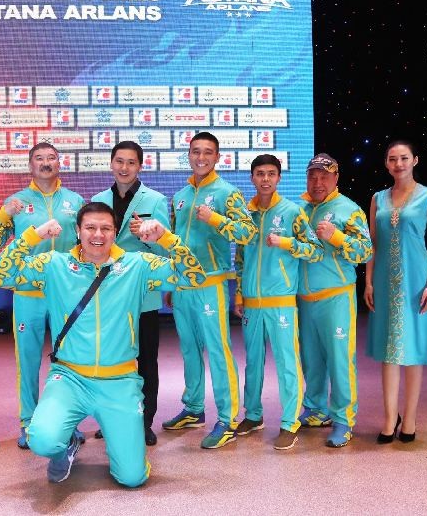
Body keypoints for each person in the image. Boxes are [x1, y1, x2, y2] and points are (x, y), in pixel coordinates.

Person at [0, 202, 205, 487]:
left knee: (132, 477)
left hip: (119, 381)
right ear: (78, 231)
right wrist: (33, 236)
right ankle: (65, 445)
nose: (98, 235)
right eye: (90, 227)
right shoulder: (54, 265)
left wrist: (166, 238)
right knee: (41, 439)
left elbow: (194, 276)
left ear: (115, 232)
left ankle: (124, 449)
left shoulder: (137, 265)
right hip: (70, 378)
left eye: (106, 228)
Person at [0, 142, 86, 449]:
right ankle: (28, 422)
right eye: (39, 158)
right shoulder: (16, 202)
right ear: (30, 165)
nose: (45, 163)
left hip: (65, 294)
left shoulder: (75, 201)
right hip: (27, 294)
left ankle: (67, 424)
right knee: (27, 360)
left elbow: (85, 246)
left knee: (69, 361)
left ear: (59, 163)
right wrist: (3, 215)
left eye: (51, 158)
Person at [163, 131, 257, 449]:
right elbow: (174, 241)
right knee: (189, 350)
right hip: (182, 286)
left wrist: (216, 219)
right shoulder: (180, 196)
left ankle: (228, 419)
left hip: (211, 285)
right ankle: (193, 408)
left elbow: (248, 233)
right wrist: (171, 281)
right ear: (188, 155)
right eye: (196, 151)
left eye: (207, 152)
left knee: (218, 351)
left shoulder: (227, 193)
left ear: (218, 157)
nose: (201, 157)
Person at [232, 154, 323, 450]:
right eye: (260, 173)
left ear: (279, 178)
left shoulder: (292, 212)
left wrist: (287, 243)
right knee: (253, 363)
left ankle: (289, 422)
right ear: (252, 178)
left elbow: (315, 250)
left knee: (286, 362)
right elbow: (241, 258)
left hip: (281, 301)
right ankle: (253, 415)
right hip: (252, 303)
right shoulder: (245, 214)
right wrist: (239, 293)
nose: (265, 179)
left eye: (271, 173)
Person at [91, 141, 169, 446]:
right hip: (107, 295)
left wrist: (148, 237)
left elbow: (165, 252)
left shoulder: (156, 200)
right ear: (111, 163)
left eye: (131, 162)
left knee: (146, 360)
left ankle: (145, 421)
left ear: (140, 166)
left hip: (142, 295)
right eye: (119, 161)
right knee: (109, 360)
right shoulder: (98, 201)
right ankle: (110, 419)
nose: (124, 168)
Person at [364, 140, 427, 444]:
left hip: (416, 281)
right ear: (386, 164)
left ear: (415, 160)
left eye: (404, 158)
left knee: (413, 349)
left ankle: (409, 419)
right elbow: (372, 243)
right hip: (384, 281)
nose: (399, 164)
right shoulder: (377, 199)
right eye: (392, 159)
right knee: (389, 350)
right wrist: (368, 281)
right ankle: (389, 418)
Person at [297, 153, 373, 448]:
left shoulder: (349, 210)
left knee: (340, 360)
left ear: (336, 178)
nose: (318, 182)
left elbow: (365, 252)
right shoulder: (300, 210)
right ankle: (316, 409)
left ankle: (343, 419)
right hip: (305, 299)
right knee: (311, 359)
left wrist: (337, 237)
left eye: (324, 177)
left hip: (336, 297)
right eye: (313, 177)